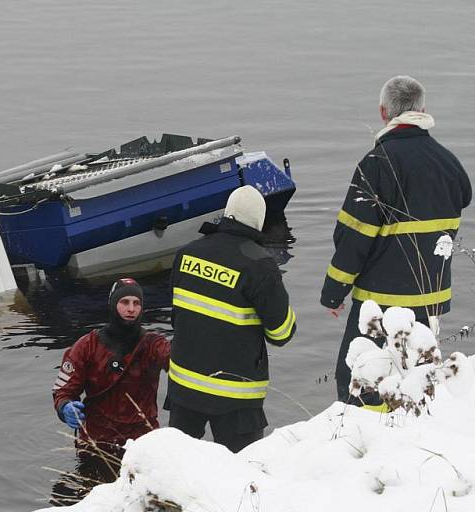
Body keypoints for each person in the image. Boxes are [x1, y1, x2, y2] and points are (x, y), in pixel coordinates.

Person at [321, 75, 471, 408]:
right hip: (430, 301)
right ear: (423, 110)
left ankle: (366, 442)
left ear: (383, 112)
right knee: (416, 379)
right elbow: (462, 201)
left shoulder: (377, 164)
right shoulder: (449, 164)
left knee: (358, 380)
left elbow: (352, 237)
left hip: (379, 304)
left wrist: (334, 291)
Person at [167, 185, 296, 453]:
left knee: (177, 469)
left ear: (227, 214)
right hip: (235, 396)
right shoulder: (260, 265)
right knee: (240, 475)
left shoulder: (186, 254)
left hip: (184, 387)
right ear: (259, 221)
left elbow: (177, 318)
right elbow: (282, 333)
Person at [51, 278, 170, 502]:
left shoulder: (154, 344)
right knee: (92, 501)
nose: (131, 309)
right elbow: (64, 390)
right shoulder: (86, 346)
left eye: (137, 303)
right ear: (113, 304)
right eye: (125, 302)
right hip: (98, 443)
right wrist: (66, 407)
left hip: (142, 443)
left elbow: (177, 361)